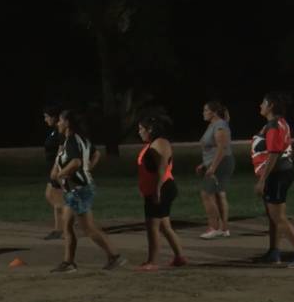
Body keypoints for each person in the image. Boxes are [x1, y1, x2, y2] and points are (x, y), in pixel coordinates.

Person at [50, 110, 125, 273]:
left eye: (60, 121)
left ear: (67, 123)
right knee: (67, 226)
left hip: (79, 190)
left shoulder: (71, 140)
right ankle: (68, 262)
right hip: (75, 190)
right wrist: (88, 169)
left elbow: (76, 162)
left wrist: (62, 174)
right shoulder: (79, 139)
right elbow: (95, 153)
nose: (58, 123)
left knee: (89, 228)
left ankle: (115, 256)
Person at [251, 92, 294, 268]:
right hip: (279, 173)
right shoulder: (279, 123)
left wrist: (262, 179)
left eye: (263, 103)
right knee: (273, 217)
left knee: (278, 217)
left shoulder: (273, 125)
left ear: (270, 106)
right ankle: (274, 252)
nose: (260, 106)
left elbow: (274, 154)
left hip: (277, 175)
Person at [135, 114, 186, 271]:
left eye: (141, 129)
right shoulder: (152, 144)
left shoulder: (160, 143)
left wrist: (157, 190)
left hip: (162, 188)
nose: (139, 132)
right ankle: (179, 258)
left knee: (153, 226)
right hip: (156, 189)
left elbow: (162, 168)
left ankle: (152, 262)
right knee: (164, 226)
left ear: (150, 129)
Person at [196, 101, 235, 239]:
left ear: (213, 112)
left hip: (221, 164)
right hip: (217, 162)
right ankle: (223, 229)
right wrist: (204, 163)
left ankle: (214, 227)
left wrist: (212, 167)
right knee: (219, 194)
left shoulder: (219, 125)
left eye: (205, 110)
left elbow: (222, 148)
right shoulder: (215, 125)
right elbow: (213, 149)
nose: (203, 113)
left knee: (206, 193)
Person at [43, 106, 66, 240]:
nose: (45, 120)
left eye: (46, 117)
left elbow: (61, 150)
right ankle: (59, 228)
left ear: (54, 117)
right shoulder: (54, 131)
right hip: (52, 168)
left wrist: (56, 168)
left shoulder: (60, 131)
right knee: (51, 196)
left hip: (57, 169)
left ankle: (64, 224)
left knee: (55, 198)